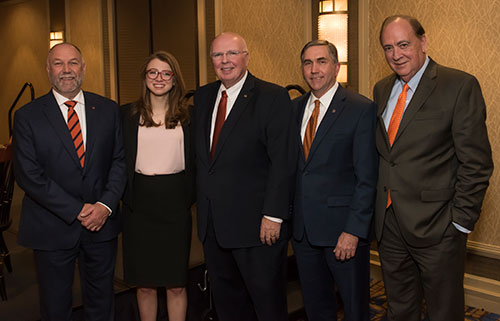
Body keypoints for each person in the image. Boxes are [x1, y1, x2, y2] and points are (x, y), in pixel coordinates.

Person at [373, 15, 493, 321]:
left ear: (423, 42)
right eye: (388, 48)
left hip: (439, 228)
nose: (396, 54)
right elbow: (390, 156)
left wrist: (460, 224)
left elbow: (476, 163)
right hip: (389, 224)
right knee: (399, 309)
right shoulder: (382, 88)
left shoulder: (458, 85)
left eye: (403, 44)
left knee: (443, 312)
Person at [12, 43, 125, 321]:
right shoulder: (27, 116)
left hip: (102, 225)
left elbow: (119, 162)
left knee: (102, 304)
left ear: (83, 68)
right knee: (55, 307)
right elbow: (29, 175)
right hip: (51, 227)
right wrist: (77, 210)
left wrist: (105, 206)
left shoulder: (109, 110)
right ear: (48, 70)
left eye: (73, 63)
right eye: (59, 64)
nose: (67, 70)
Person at [194, 32, 296, 321]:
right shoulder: (202, 96)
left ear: (246, 57)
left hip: (257, 228)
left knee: (267, 307)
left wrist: (274, 215)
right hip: (213, 226)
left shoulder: (272, 97)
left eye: (232, 53)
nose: (225, 61)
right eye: (217, 55)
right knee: (228, 306)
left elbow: (283, 161)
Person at [292, 40, 378, 321]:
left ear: (336, 67)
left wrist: (353, 231)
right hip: (304, 232)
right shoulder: (293, 109)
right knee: (316, 308)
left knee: (354, 309)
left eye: (321, 61)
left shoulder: (359, 108)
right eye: (308, 62)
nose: (314, 69)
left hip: (343, 233)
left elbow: (367, 178)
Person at [121, 51, 195, 321]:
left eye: (166, 73)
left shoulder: (190, 117)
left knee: (176, 283)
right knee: (145, 283)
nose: (159, 78)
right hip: (138, 207)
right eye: (153, 72)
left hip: (175, 206)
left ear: (175, 80)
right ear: (145, 78)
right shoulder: (126, 115)